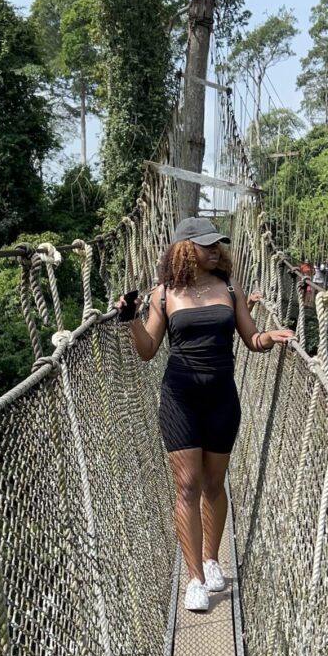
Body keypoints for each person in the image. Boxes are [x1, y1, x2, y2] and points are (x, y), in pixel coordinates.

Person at [117, 217, 293, 612]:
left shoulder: (229, 288)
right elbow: (147, 350)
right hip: (180, 397)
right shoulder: (164, 295)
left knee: (215, 484)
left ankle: (212, 560)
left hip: (222, 397)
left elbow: (251, 339)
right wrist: (130, 318)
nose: (216, 250)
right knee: (187, 486)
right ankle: (195, 578)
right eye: (206, 244)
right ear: (185, 249)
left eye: (218, 244)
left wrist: (271, 337)